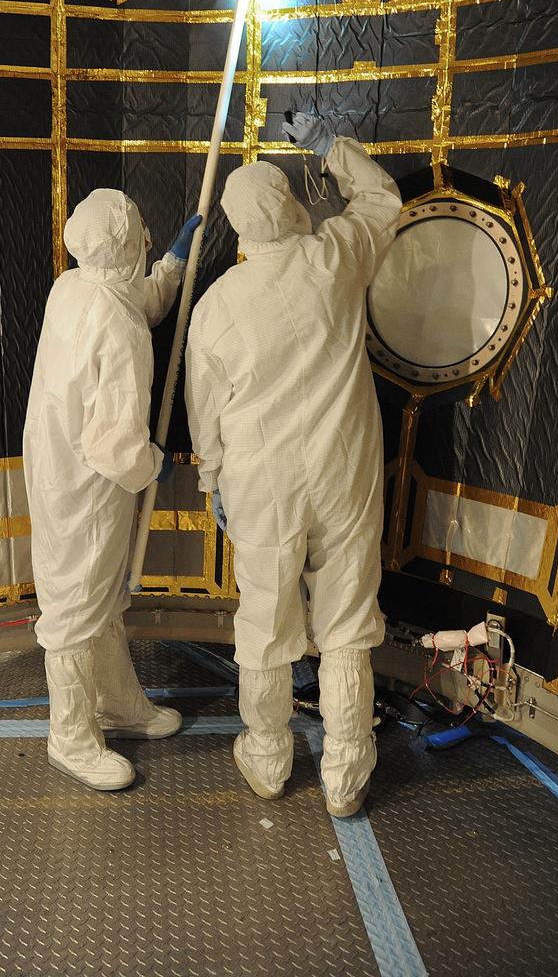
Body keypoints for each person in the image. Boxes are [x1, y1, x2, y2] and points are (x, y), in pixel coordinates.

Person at [185, 114, 402, 816]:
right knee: (345, 622)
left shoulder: (217, 305)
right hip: (344, 475)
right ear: (289, 203)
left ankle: (269, 759)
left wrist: (211, 480)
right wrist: (330, 146)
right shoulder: (333, 257)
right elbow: (381, 202)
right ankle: (346, 775)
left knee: (267, 624)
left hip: (261, 486)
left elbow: (203, 412)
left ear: (237, 227)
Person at [24, 190, 202, 792]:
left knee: (97, 598)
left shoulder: (71, 287)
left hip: (59, 473)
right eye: (143, 239)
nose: (148, 241)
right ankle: (70, 738)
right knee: (76, 607)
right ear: (124, 246)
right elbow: (112, 442)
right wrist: (155, 465)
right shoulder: (118, 327)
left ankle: (118, 706)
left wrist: (173, 267)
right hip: (92, 488)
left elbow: (134, 296)